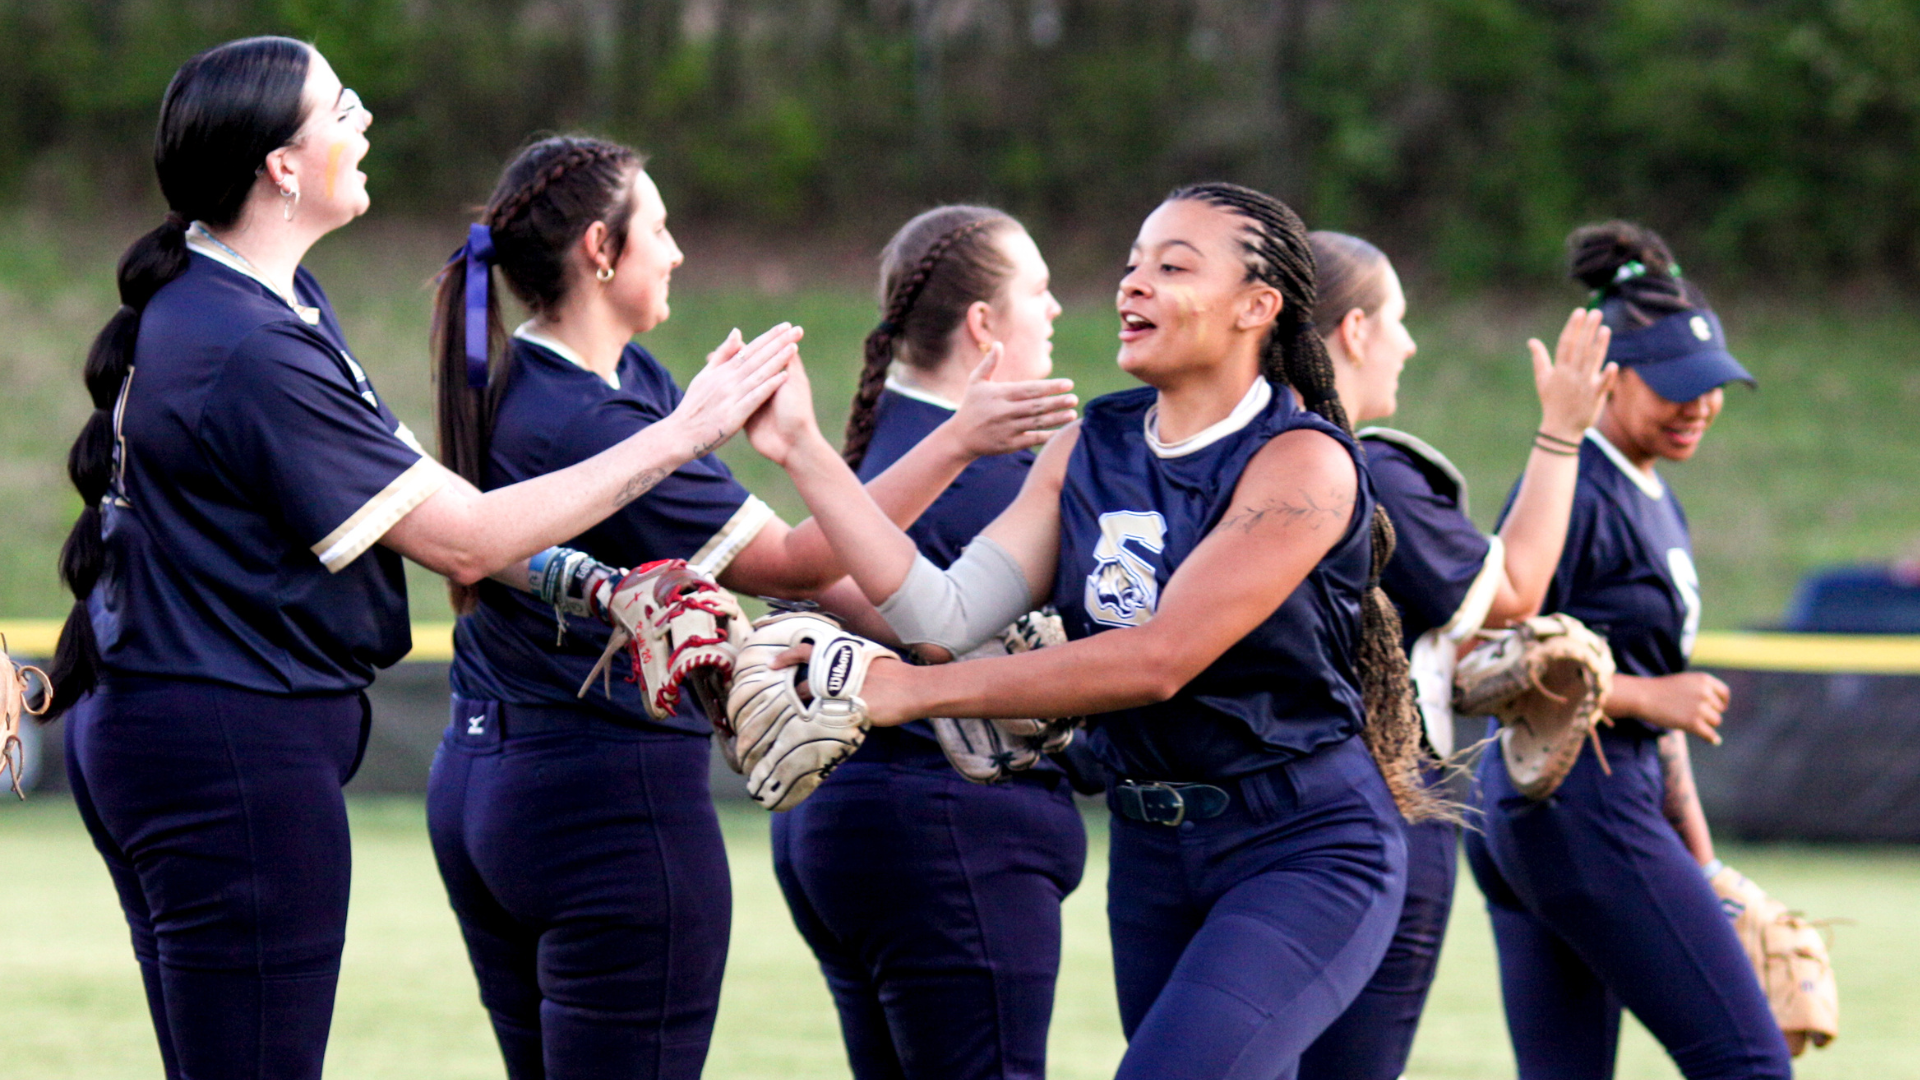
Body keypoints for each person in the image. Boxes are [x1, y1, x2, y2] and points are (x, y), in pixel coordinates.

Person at [45, 39, 792, 1080]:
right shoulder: (247, 339)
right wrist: (685, 432)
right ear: (282, 166)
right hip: (229, 753)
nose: (365, 124)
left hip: (188, 740)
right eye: (341, 108)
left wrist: (601, 585)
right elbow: (466, 538)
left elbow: (436, 510)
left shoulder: (260, 306)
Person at [742, 181, 1437, 1080]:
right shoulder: (1091, 443)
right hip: (1152, 850)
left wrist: (906, 692)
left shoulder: (1301, 459)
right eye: (1133, 264)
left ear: (1256, 307)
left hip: (1300, 846)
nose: (1131, 284)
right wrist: (802, 450)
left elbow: (1159, 659)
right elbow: (945, 617)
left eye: (1173, 267)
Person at [423, 149, 1076, 1080]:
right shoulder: (601, 417)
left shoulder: (561, 378)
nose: (678, 252)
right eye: (659, 230)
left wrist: (931, 627)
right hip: (599, 796)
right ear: (601, 249)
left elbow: (805, 582)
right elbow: (795, 562)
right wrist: (956, 440)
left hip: (481, 770)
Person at [1463, 221, 1793, 1079]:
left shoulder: (1650, 491)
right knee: (1749, 1063)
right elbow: (1488, 651)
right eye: (1676, 386)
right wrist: (1649, 697)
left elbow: (1657, 703)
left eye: (1714, 385)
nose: (1700, 405)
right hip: (1580, 801)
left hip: (1579, 805)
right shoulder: (1573, 483)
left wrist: (1703, 860)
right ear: (1608, 377)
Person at [768, 205, 1088, 1080]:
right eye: (1038, 290)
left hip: (844, 826)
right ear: (983, 323)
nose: (1055, 309)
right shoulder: (990, 479)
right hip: (946, 835)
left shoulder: (886, 448)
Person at [1294, 233, 1616, 1079]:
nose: (1407, 343)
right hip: (1378, 804)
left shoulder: (1223, 457)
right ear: (1354, 330)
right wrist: (1562, 433)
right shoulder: (1370, 472)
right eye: (1396, 319)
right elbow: (1518, 592)